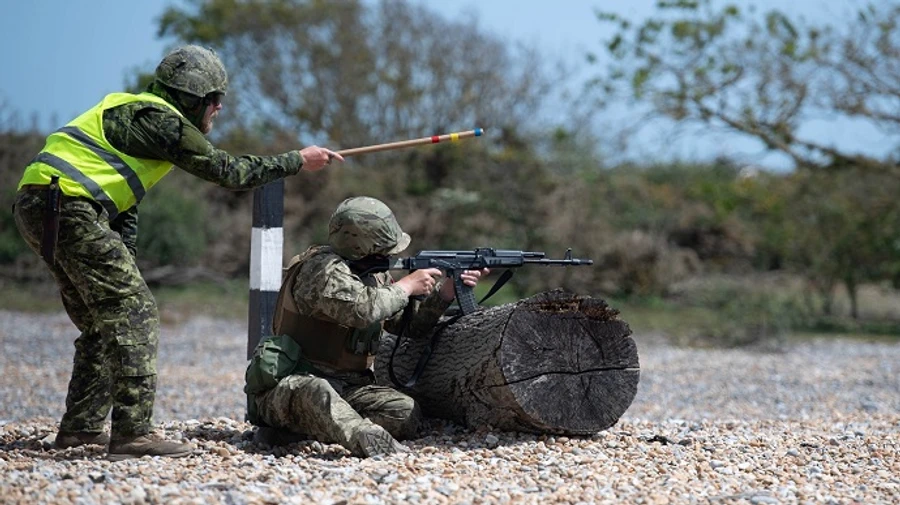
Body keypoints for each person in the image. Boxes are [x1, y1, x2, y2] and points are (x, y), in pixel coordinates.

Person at [12, 45, 344, 461]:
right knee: (135, 313)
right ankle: (133, 434)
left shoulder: (131, 111)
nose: (219, 109)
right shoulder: (161, 120)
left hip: (46, 207)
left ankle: (80, 430)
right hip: (68, 207)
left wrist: (124, 257)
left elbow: (122, 204)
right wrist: (297, 160)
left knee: (102, 323)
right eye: (215, 100)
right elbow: (227, 171)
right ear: (193, 97)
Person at [244, 196, 488, 457]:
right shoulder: (321, 270)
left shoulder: (374, 274)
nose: (390, 254)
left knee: (403, 412)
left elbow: (407, 326)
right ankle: (364, 439)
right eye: (383, 248)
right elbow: (362, 309)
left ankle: (307, 429)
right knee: (317, 392)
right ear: (363, 246)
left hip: (349, 387)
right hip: (294, 384)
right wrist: (406, 286)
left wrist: (446, 293)